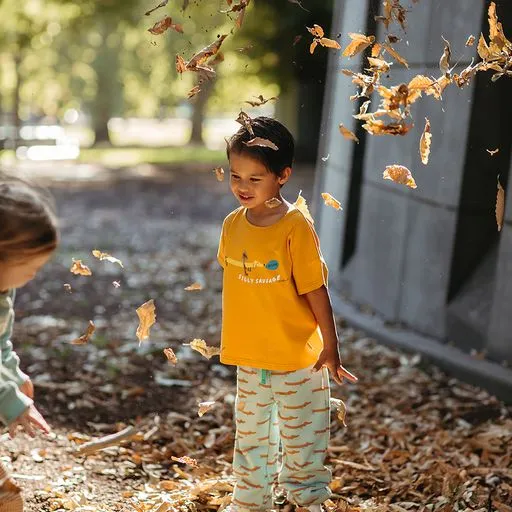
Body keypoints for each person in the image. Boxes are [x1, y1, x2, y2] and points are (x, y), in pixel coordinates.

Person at [217, 117, 358, 512]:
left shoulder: (296, 226)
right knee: (250, 443)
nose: (243, 187)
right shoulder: (231, 225)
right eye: (236, 176)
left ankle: (308, 502)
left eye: (255, 178)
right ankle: (249, 505)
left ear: (283, 176)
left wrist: (331, 346)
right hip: (250, 361)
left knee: (303, 443)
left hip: (299, 362)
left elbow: (316, 289)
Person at [0, 172, 58, 512]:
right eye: (31, 265)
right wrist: (10, 399)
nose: (35, 273)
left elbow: (1, 344)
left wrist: (14, 376)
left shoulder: (4, 289)